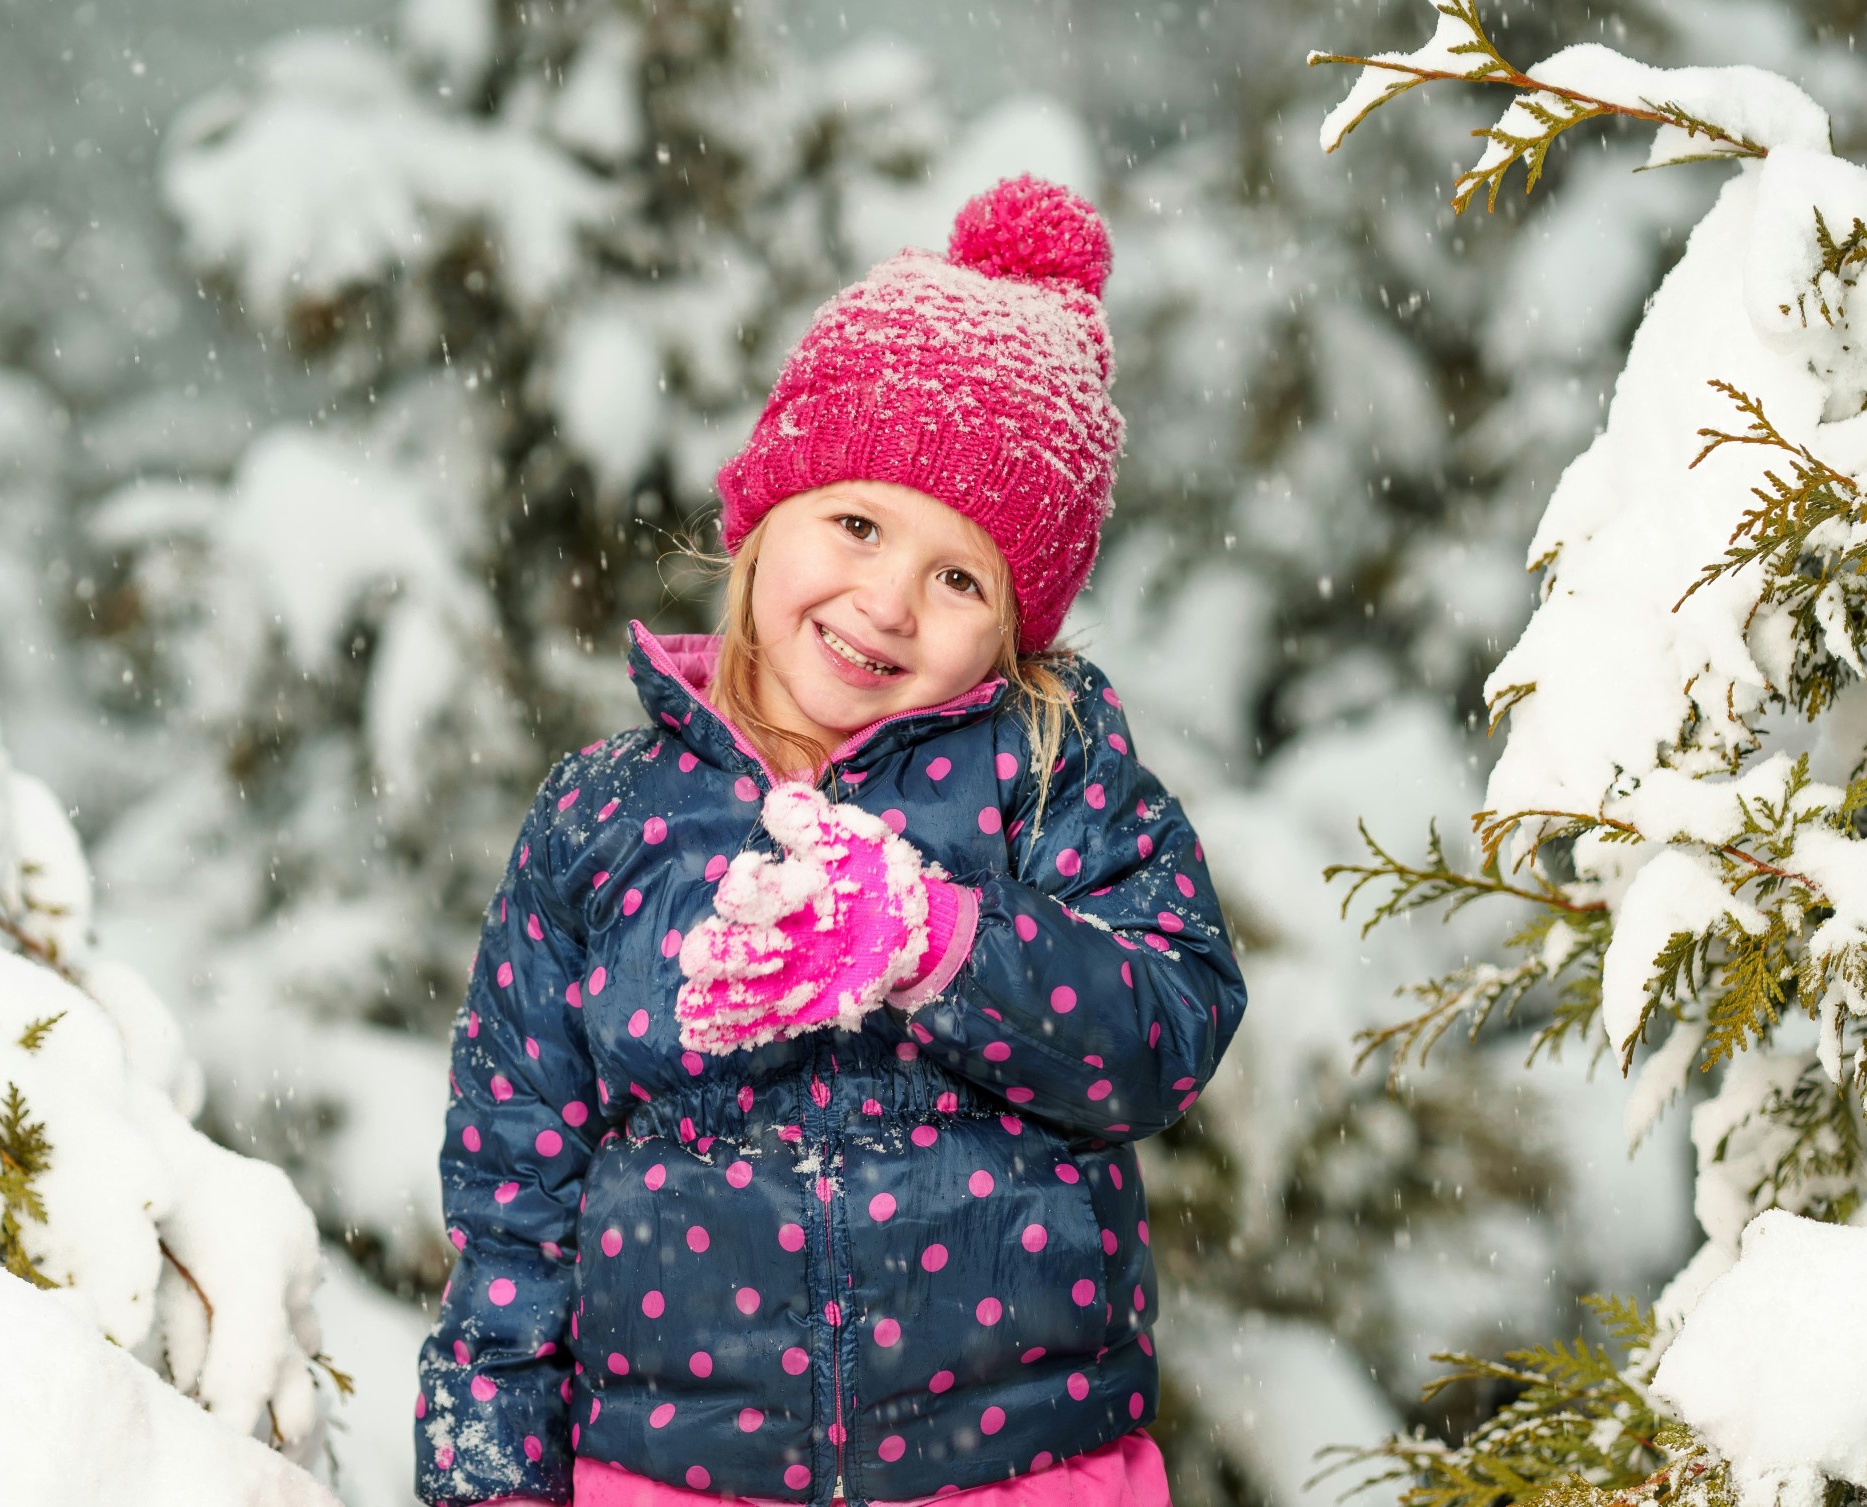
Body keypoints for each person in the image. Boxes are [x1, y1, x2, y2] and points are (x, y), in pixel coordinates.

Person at [415, 175, 1248, 1507]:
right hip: (677, 1475)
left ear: (1015, 630)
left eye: (960, 577)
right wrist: (492, 1467)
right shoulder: (601, 818)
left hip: (1016, 1471)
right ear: (764, 518)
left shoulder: (1045, 775)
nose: (887, 601)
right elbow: (517, 1172)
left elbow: (1166, 1025)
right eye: (857, 525)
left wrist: (944, 941)